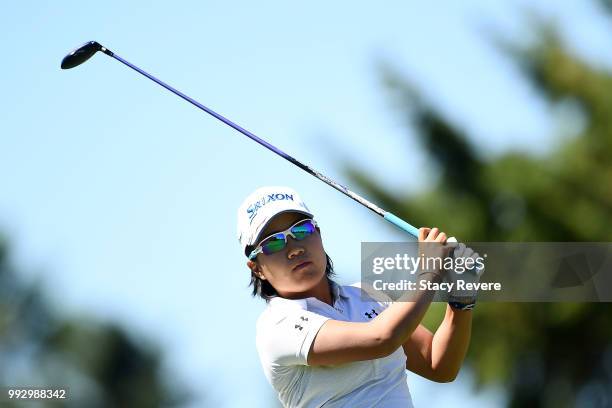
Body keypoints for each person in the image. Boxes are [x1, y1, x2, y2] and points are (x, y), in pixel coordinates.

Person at [237, 186, 482, 407]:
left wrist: (461, 298)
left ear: (319, 234)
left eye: (302, 230)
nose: (294, 248)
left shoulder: (366, 294)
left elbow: (437, 364)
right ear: (256, 268)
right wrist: (431, 271)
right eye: (274, 244)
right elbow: (381, 338)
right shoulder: (277, 326)